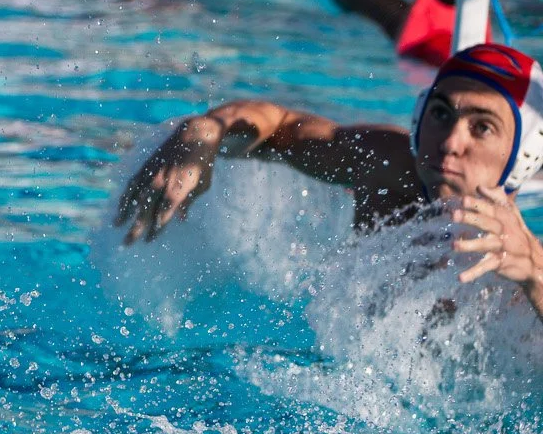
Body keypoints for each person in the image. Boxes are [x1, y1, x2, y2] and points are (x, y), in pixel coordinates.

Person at [115, 42, 543, 319]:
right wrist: (204, 132)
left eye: (482, 127)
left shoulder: (528, 262)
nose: (451, 142)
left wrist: (535, 276)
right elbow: (282, 127)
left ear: (525, 154)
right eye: (441, 114)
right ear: (418, 117)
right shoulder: (390, 167)